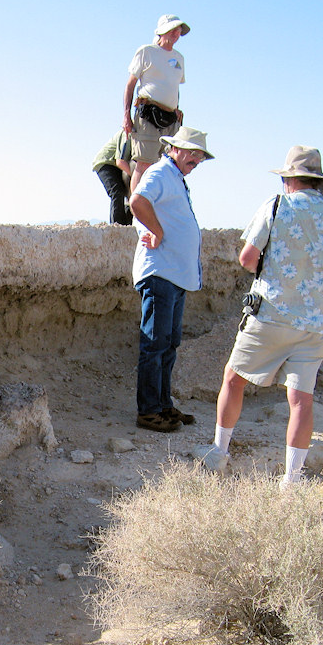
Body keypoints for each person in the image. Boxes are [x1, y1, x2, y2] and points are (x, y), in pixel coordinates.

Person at [194, 146, 323, 486]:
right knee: (301, 399)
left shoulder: (276, 207)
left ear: (288, 180)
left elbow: (247, 257)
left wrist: (273, 274)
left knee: (233, 378)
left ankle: (219, 452)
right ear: (319, 183)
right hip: (317, 325)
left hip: (271, 314)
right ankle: (293, 478)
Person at [128, 127, 212, 432]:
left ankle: (162, 405)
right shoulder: (161, 172)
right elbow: (137, 201)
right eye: (192, 151)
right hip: (160, 272)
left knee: (168, 343)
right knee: (155, 343)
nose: (198, 158)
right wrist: (158, 232)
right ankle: (149, 411)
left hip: (174, 274)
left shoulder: (173, 177)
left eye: (200, 154)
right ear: (173, 148)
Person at [123, 14, 188, 193]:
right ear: (162, 31)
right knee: (144, 163)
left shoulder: (179, 58)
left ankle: (155, 211)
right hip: (148, 113)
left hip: (171, 117)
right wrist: (126, 116)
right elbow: (130, 85)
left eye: (179, 30)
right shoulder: (147, 51)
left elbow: (174, 87)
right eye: (173, 29)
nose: (176, 33)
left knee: (166, 166)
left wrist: (177, 113)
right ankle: (136, 213)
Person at [92, 131, 133, 225]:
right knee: (117, 192)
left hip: (120, 166)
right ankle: (117, 226)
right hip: (106, 162)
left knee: (130, 194)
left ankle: (128, 224)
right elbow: (120, 161)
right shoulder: (127, 134)